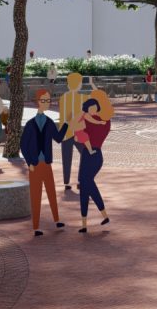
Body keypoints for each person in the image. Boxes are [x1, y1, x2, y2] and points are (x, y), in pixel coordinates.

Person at [19, 89, 67, 235]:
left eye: (48, 100)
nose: (47, 103)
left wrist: (65, 124)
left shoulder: (50, 122)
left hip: (46, 164)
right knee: (36, 195)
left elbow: (58, 138)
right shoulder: (30, 124)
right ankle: (36, 227)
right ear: (37, 101)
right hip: (34, 165)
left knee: (51, 191)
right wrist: (29, 163)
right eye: (44, 100)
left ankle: (57, 220)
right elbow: (23, 145)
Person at [74, 95, 113, 232]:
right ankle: (86, 224)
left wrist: (84, 116)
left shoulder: (93, 120)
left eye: (95, 108)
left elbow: (78, 125)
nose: (93, 111)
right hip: (90, 155)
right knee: (85, 186)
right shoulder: (105, 122)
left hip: (92, 155)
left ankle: (101, 216)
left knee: (86, 184)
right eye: (91, 108)